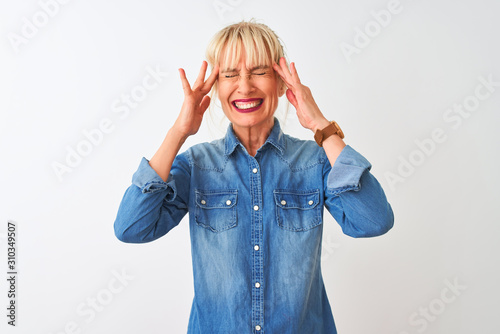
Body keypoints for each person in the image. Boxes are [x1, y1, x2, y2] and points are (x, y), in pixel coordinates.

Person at [114, 20, 394, 334]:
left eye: (259, 72)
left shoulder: (316, 161)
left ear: (281, 83)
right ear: (216, 87)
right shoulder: (195, 165)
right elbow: (131, 228)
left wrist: (320, 125)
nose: (245, 86)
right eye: (230, 74)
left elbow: (373, 221)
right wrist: (179, 132)